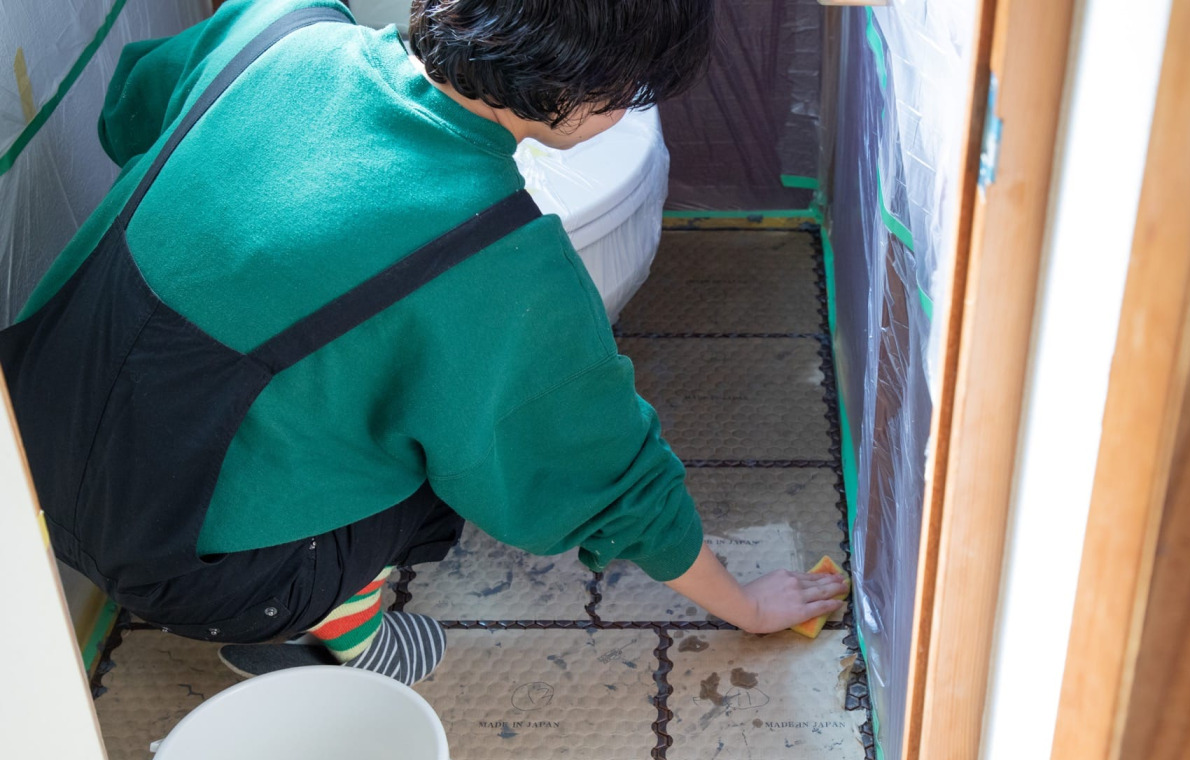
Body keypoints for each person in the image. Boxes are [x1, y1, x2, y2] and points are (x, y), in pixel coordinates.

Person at [0, 0, 848, 686]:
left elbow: (131, 109)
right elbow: (604, 475)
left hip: (26, 446)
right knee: (459, 450)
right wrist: (746, 605)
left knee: (363, 366)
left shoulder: (285, 24)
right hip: (180, 565)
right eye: (631, 92)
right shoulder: (498, 259)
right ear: (588, 89)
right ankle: (324, 626)